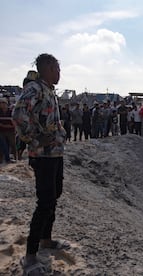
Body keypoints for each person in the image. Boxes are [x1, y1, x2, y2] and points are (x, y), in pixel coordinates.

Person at [12, 53, 68, 274]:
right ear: (45, 68)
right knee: (44, 202)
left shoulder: (48, 90)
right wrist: (34, 139)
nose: (58, 73)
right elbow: (18, 114)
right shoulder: (34, 88)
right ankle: (30, 256)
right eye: (55, 69)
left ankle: (46, 239)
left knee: (55, 195)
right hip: (42, 155)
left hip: (55, 153)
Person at [0, 97, 16, 163]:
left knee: (13, 145)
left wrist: (11, 125)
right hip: (2, 131)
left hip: (11, 131)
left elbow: (15, 121)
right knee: (3, 146)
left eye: (4, 103)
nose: (2, 104)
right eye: (1, 103)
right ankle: (5, 159)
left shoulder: (11, 111)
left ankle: (16, 158)